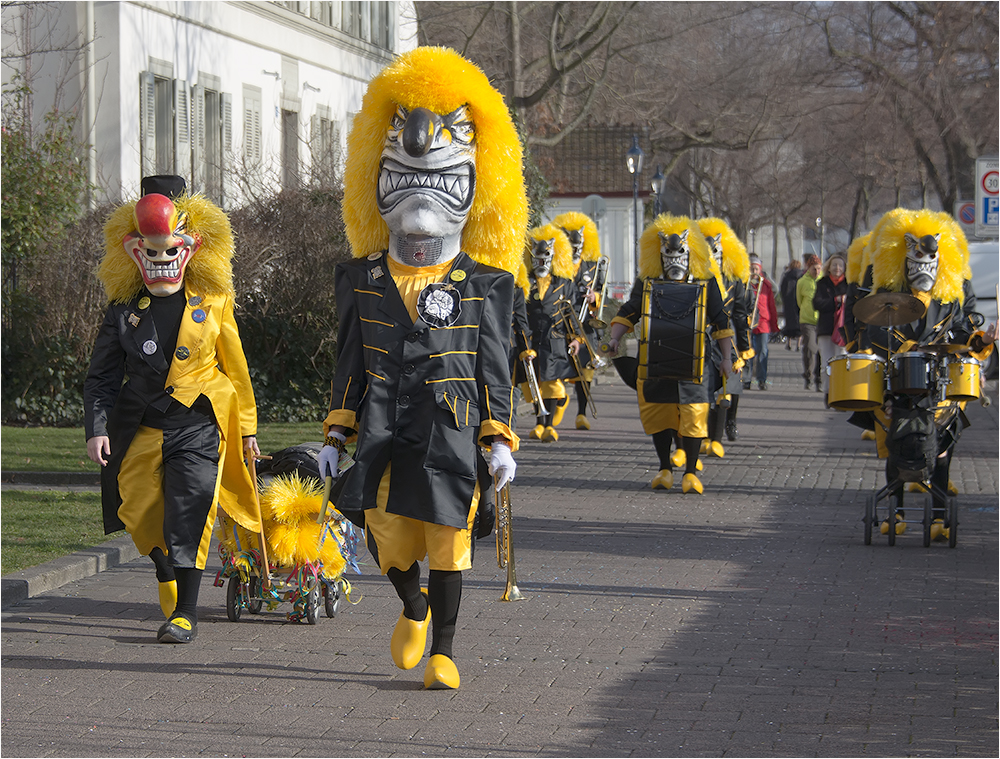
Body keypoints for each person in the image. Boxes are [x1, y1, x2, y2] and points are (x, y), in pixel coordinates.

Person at [318, 47, 527, 690]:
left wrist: (497, 437)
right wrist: (337, 432)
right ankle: (412, 604)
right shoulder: (364, 278)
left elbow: (492, 366)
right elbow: (351, 358)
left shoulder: (487, 285)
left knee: (447, 540)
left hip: (450, 430)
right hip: (383, 426)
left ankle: (445, 651)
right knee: (387, 539)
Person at [84, 175, 261, 644]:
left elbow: (236, 370)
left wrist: (245, 430)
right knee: (137, 509)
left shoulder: (215, 302)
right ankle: (163, 566)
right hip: (141, 423)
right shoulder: (123, 309)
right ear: (134, 250)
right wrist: (97, 428)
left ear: (191, 247)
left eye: (171, 249)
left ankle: (185, 612)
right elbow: (101, 377)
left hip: (199, 423)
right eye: (151, 250)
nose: (162, 259)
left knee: (191, 506)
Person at [860, 208, 995, 539]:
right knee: (898, 441)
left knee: (943, 444)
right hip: (900, 379)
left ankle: (937, 518)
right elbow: (873, 332)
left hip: (939, 381)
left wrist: (982, 341)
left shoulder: (951, 299)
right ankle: (897, 510)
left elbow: (964, 332)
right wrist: (905, 349)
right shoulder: (887, 295)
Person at [606, 214, 734, 494]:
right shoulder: (647, 281)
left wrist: (726, 358)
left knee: (694, 415)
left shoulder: (706, 281)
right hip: (655, 361)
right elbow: (631, 309)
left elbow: (721, 319)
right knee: (659, 414)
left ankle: (690, 472)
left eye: (681, 253)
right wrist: (614, 338)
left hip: (696, 363)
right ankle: (664, 468)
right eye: (668, 254)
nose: (674, 259)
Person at [522, 224, 581, 442]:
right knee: (534, 382)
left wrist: (575, 337)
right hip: (531, 337)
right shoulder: (524, 281)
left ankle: (549, 426)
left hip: (554, 338)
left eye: (545, 257)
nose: (540, 263)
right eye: (536, 258)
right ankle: (539, 423)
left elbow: (571, 312)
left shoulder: (564, 283)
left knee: (553, 383)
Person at [698, 218, 752, 448]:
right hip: (704, 336)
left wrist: (744, 347)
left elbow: (740, 315)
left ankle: (730, 422)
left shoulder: (735, 281)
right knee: (704, 388)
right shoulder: (697, 278)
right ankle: (702, 434)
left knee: (732, 383)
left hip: (728, 336)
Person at [552, 211, 603, 431]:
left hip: (585, 325)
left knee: (585, 372)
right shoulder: (557, 264)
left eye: (578, 244)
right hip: (561, 324)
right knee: (559, 365)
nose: (575, 249)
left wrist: (595, 298)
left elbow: (602, 290)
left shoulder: (592, 266)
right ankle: (559, 401)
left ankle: (581, 413)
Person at [813, 253, 849, 397]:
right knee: (826, 364)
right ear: (829, 267)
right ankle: (828, 392)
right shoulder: (822, 283)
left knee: (842, 362)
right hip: (826, 329)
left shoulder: (848, 285)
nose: (837, 268)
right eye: (834, 265)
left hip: (842, 330)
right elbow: (817, 304)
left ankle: (841, 394)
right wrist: (837, 301)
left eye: (840, 265)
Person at [747, 255, 778, 391]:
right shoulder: (745, 284)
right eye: (752, 268)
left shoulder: (765, 284)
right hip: (749, 321)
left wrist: (774, 324)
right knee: (748, 351)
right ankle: (746, 379)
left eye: (756, 268)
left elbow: (771, 304)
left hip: (763, 321)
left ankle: (761, 379)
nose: (754, 270)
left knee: (763, 351)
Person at [796, 253, 823, 390]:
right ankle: (809, 375)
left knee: (821, 351)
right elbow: (799, 301)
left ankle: (819, 378)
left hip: (822, 320)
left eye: (819, 268)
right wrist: (806, 311)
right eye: (814, 269)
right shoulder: (802, 282)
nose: (817, 272)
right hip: (807, 320)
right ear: (808, 269)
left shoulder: (823, 280)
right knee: (811, 348)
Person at [779, 260, 803, 350]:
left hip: (788, 303)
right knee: (799, 323)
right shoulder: (802, 275)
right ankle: (798, 345)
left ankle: (788, 343)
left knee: (789, 323)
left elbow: (782, 289)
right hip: (799, 302)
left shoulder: (786, 276)